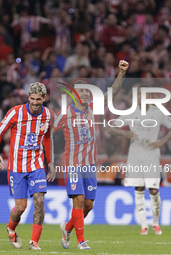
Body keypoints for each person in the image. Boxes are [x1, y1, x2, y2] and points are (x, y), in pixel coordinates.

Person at [55, 60, 129, 250]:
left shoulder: (93, 109)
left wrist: (121, 73)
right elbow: (48, 133)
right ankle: (81, 242)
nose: (86, 94)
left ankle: (67, 227)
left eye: (88, 91)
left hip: (89, 164)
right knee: (78, 199)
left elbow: (112, 93)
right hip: (72, 163)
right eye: (82, 91)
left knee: (88, 205)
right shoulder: (64, 113)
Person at [108, 85, 171, 235]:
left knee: (154, 191)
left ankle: (155, 223)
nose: (142, 97)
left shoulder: (158, 112)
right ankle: (143, 225)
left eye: (144, 95)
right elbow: (111, 128)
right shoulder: (130, 113)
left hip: (152, 155)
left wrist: (162, 141)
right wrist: (126, 134)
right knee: (139, 190)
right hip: (134, 156)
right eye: (139, 95)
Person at [0, 82, 55, 250]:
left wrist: (51, 162)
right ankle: (11, 227)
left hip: (36, 164)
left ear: (44, 98)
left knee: (39, 201)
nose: (35, 103)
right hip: (17, 167)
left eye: (38, 99)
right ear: (28, 97)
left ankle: (34, 242)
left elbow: (48, 138)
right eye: (32, 99)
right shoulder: (16, 112)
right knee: (21, 207)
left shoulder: (49, 115)